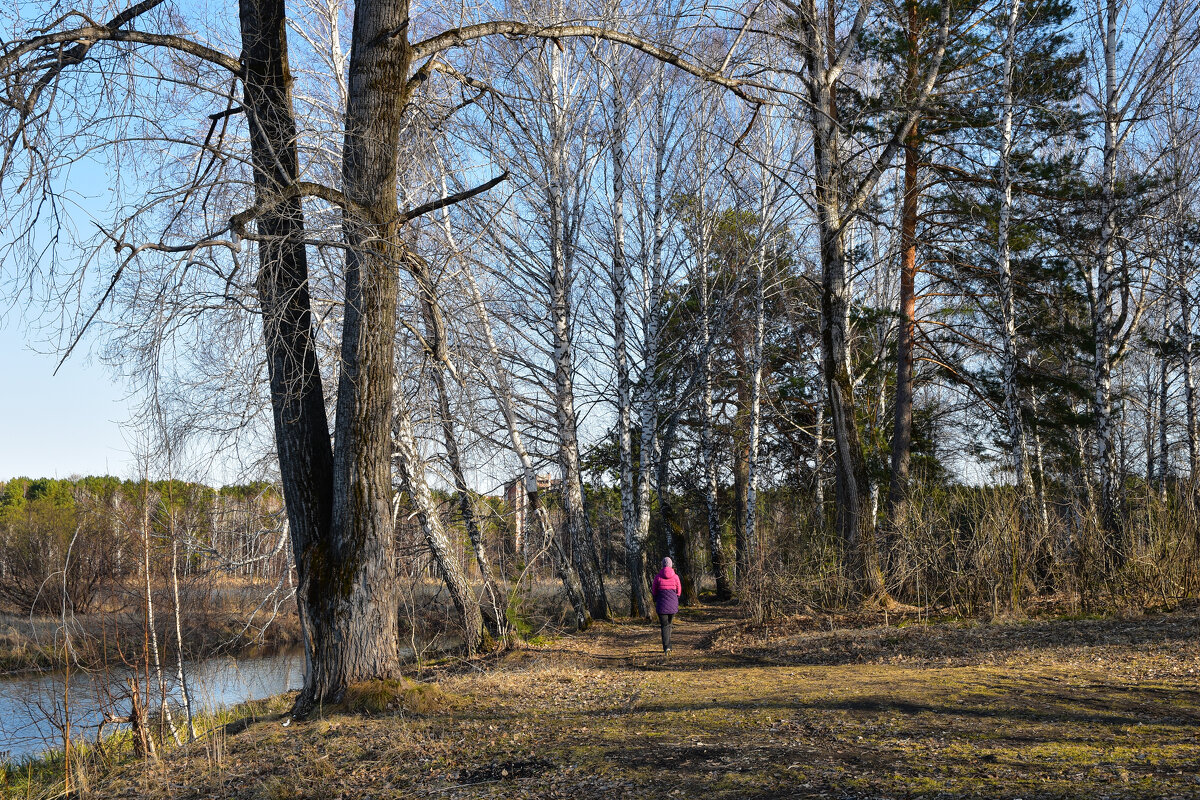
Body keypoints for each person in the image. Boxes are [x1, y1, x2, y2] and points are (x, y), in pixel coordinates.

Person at [651, 556, 682, 653]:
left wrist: (656, 599)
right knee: (669, 624)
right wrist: (676, 598)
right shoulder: (676, 577)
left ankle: (666, 647)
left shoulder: (658, 577)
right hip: (673, 605)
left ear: (662, 565)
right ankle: (669, 645)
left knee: (664, 626)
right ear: (671, 565)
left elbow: (654, 591)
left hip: (661, 605)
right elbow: (679, 591)